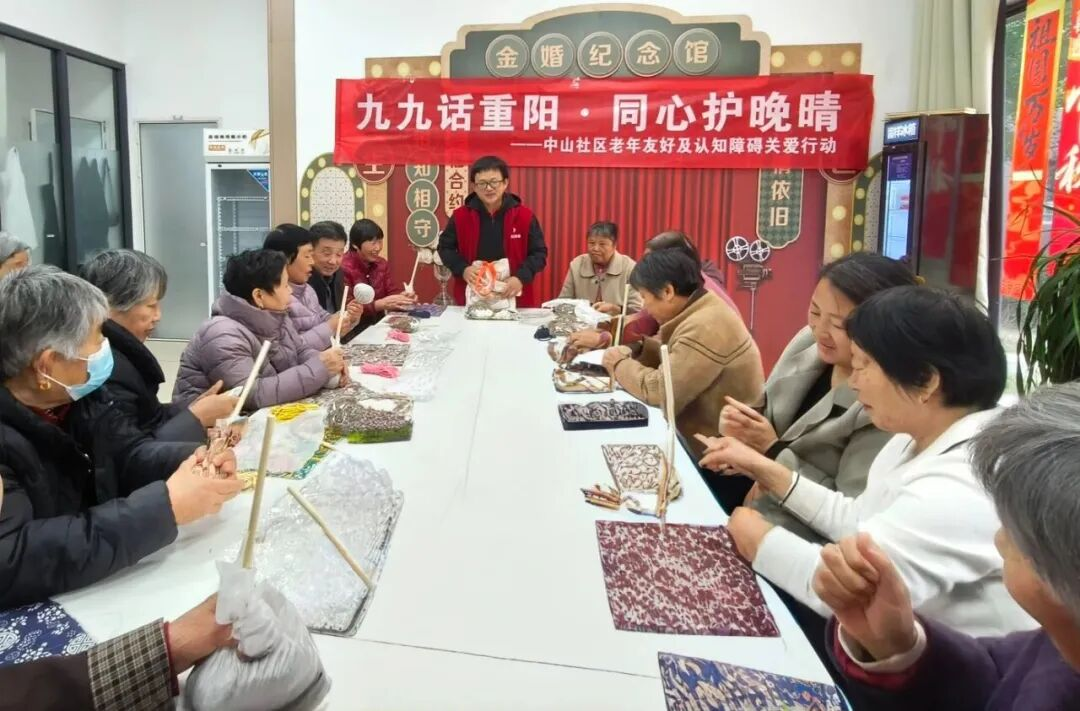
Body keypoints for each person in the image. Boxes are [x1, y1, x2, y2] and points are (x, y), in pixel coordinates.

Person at [698, 286, 1033, 639]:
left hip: (955, 665)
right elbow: (858, 519)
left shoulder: (964, 483)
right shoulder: (910, 437)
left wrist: (757, 536)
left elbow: (852, 593)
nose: (854, 383)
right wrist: (763, 467)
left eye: (863, 366)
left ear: (926, 381)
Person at [816, 383, 1080, 710]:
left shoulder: (951, 484)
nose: (999, 539)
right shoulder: (1052, 646)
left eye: (1015, 528)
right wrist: (899, 646)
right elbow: (998, 679)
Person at [0, 266, 242, 607]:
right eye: (97, 338)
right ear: (47, 365)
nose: (106, 348)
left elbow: (126, 453)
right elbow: (15, 558)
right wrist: (166, 507)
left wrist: (193, 459)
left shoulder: (81, 396)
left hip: (105, 581)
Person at [713, 253, 918, 519]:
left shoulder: (884, 404)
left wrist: (772, 453)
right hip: (751, 492)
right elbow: (768, 407)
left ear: (883, 329)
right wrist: (742, 427)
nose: (820, 330)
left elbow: (849, 508)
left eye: (838, 324)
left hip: (798, 525)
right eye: (815, 311)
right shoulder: (808, 342)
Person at [601, 249, 763, 456]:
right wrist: (642, 348)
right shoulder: (703, 306)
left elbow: (660, 392)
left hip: (723, 454)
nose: (644, 307)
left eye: (644, 297)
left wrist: (618, 363)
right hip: (711, 436)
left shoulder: (705, 325)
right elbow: (679, 358)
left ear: (668, 291)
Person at [80, 249, 237, 442]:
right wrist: (196, 418)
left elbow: (147, 417)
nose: (158, 316)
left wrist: (190, 410)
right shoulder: (102, 366)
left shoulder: (123, 353)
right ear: (111, 305)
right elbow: (129, 452)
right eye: (151, 305)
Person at [173, 249, 345, 409]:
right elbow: (251, 394)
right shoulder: (221, 333)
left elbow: (299, 350)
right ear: (259, 296)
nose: (290, 291)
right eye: (285, 285)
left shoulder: (278, 315)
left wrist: (329, 365)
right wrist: (319, 369)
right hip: (207, 426)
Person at [566, 231, 739, 353]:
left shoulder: (700, 305)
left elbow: (662, 354)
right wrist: (602, 333)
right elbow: (643, 320)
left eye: (650, 262)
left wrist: (605, 341)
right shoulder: (685, 284)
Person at [437, 155, 548, 308]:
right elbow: (444, 247)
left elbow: (539, 253)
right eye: (482, 183)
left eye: (494, 182)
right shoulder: (460, 216)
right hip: (472, 296)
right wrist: (463, 269)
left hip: (513, 295)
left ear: (505, 182)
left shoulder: (524, 216)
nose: (489, 188)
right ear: (474, 186)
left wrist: (521, 278)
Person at [264, 224, 360, 350]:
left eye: (339, 254)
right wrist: (330, 328)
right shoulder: (272, 298)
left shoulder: (307, 289)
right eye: (307, 256)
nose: (311, 262)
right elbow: (288, 351)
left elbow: (324, 318)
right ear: (284, 259)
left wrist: (347, 318)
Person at [341, 218, 416, 329]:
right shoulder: (342, 267)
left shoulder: (382, 263)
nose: (378, 247)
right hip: (350, 330)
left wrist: (403, 298)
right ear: (355, 244)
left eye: (380, 242)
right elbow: (347, 306)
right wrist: (380, 304)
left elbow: (391, 291)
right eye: (373, 243)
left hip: (379, 326)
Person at [556, 221, 642, 315]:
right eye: (591, 243)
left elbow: (637, 310)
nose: (595, 248)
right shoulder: (577, 264)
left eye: (602, 244)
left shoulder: (629, 267)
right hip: (582, 322)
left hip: (616, 323)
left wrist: (616, 309)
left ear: (614, 245)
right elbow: (563, 302)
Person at [307, 220, 365, 342]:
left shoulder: (338, 274)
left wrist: (351, 318)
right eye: (326, 253)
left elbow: (338, 327)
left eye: (339, 254)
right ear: (310, 251)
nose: (333, 261)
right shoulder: (303, 282)